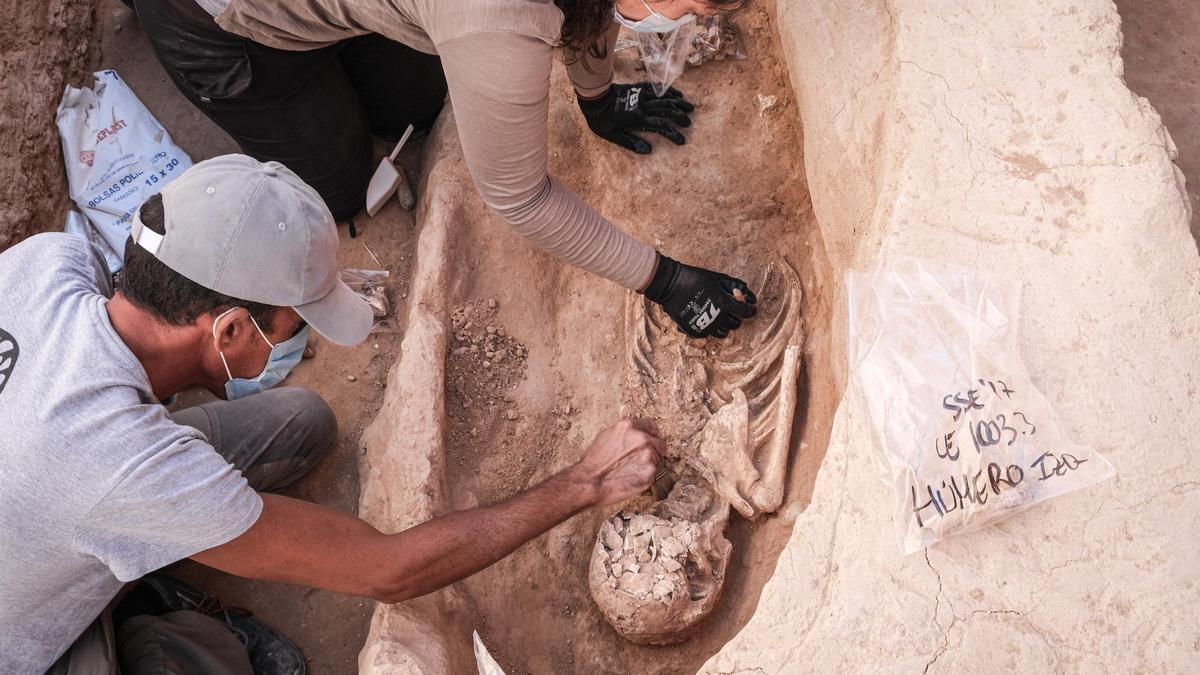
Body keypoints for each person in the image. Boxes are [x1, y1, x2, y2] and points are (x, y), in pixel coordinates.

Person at [0, 155, 664, 674]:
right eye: (291, 325)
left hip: (46, 494)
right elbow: (387, 569)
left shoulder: (46, 262)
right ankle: (152, 623)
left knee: (302, 424)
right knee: (203, 659)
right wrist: (587, 481)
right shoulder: (126, 465)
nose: (302, 339)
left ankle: (119, 552)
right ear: (230, 330)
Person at [130, 0, 758, 339]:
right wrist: (664, 281)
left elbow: (588, 7)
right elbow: (519, 198)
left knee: (418, 103)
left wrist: (597, 99)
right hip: (220, 21)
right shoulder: (497, 17)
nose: (694, 20)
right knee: (344, 185)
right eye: (698, 5)